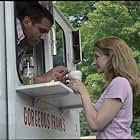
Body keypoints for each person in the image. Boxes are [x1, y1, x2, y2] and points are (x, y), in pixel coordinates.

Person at [67, 36, 140, 139]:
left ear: (110, 56)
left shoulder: (119, 83)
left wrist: (83, 91)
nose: (93, 62)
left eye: (97, 57)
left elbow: (95, 124)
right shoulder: (117, 83)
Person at [15, 1, 68, 83]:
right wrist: (44, 78)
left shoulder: (21, 45)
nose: (43, 37)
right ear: (27, 21)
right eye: (41, 30)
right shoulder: (7, 33)